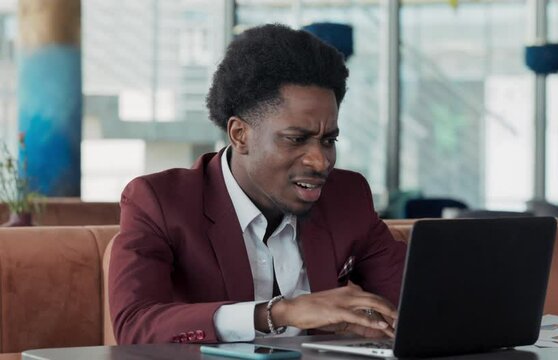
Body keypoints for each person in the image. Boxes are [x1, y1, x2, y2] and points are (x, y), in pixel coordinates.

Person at [108, 23, 407, 345]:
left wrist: (376, 320)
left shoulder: (346, 197)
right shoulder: (161, 202)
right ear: (240, 135)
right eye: (296, 139)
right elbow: (135, 325)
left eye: (328, 140)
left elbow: (412, 299)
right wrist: (279, 313)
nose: (320, 161)